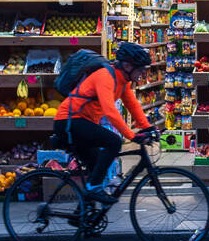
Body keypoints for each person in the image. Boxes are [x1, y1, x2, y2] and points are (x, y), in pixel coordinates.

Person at [54, 41, 156, 207]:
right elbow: (110, 111)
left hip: (81, 123)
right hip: (69, 122)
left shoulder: (122, 81)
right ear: (128, 66)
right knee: (114, 141)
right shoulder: (105, 76)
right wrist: (132, 136)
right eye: (140, 69)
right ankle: (94, 188)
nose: (142, 74)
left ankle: (82, 217)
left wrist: (148, 127)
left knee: (96, 169)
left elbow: (133, 105)